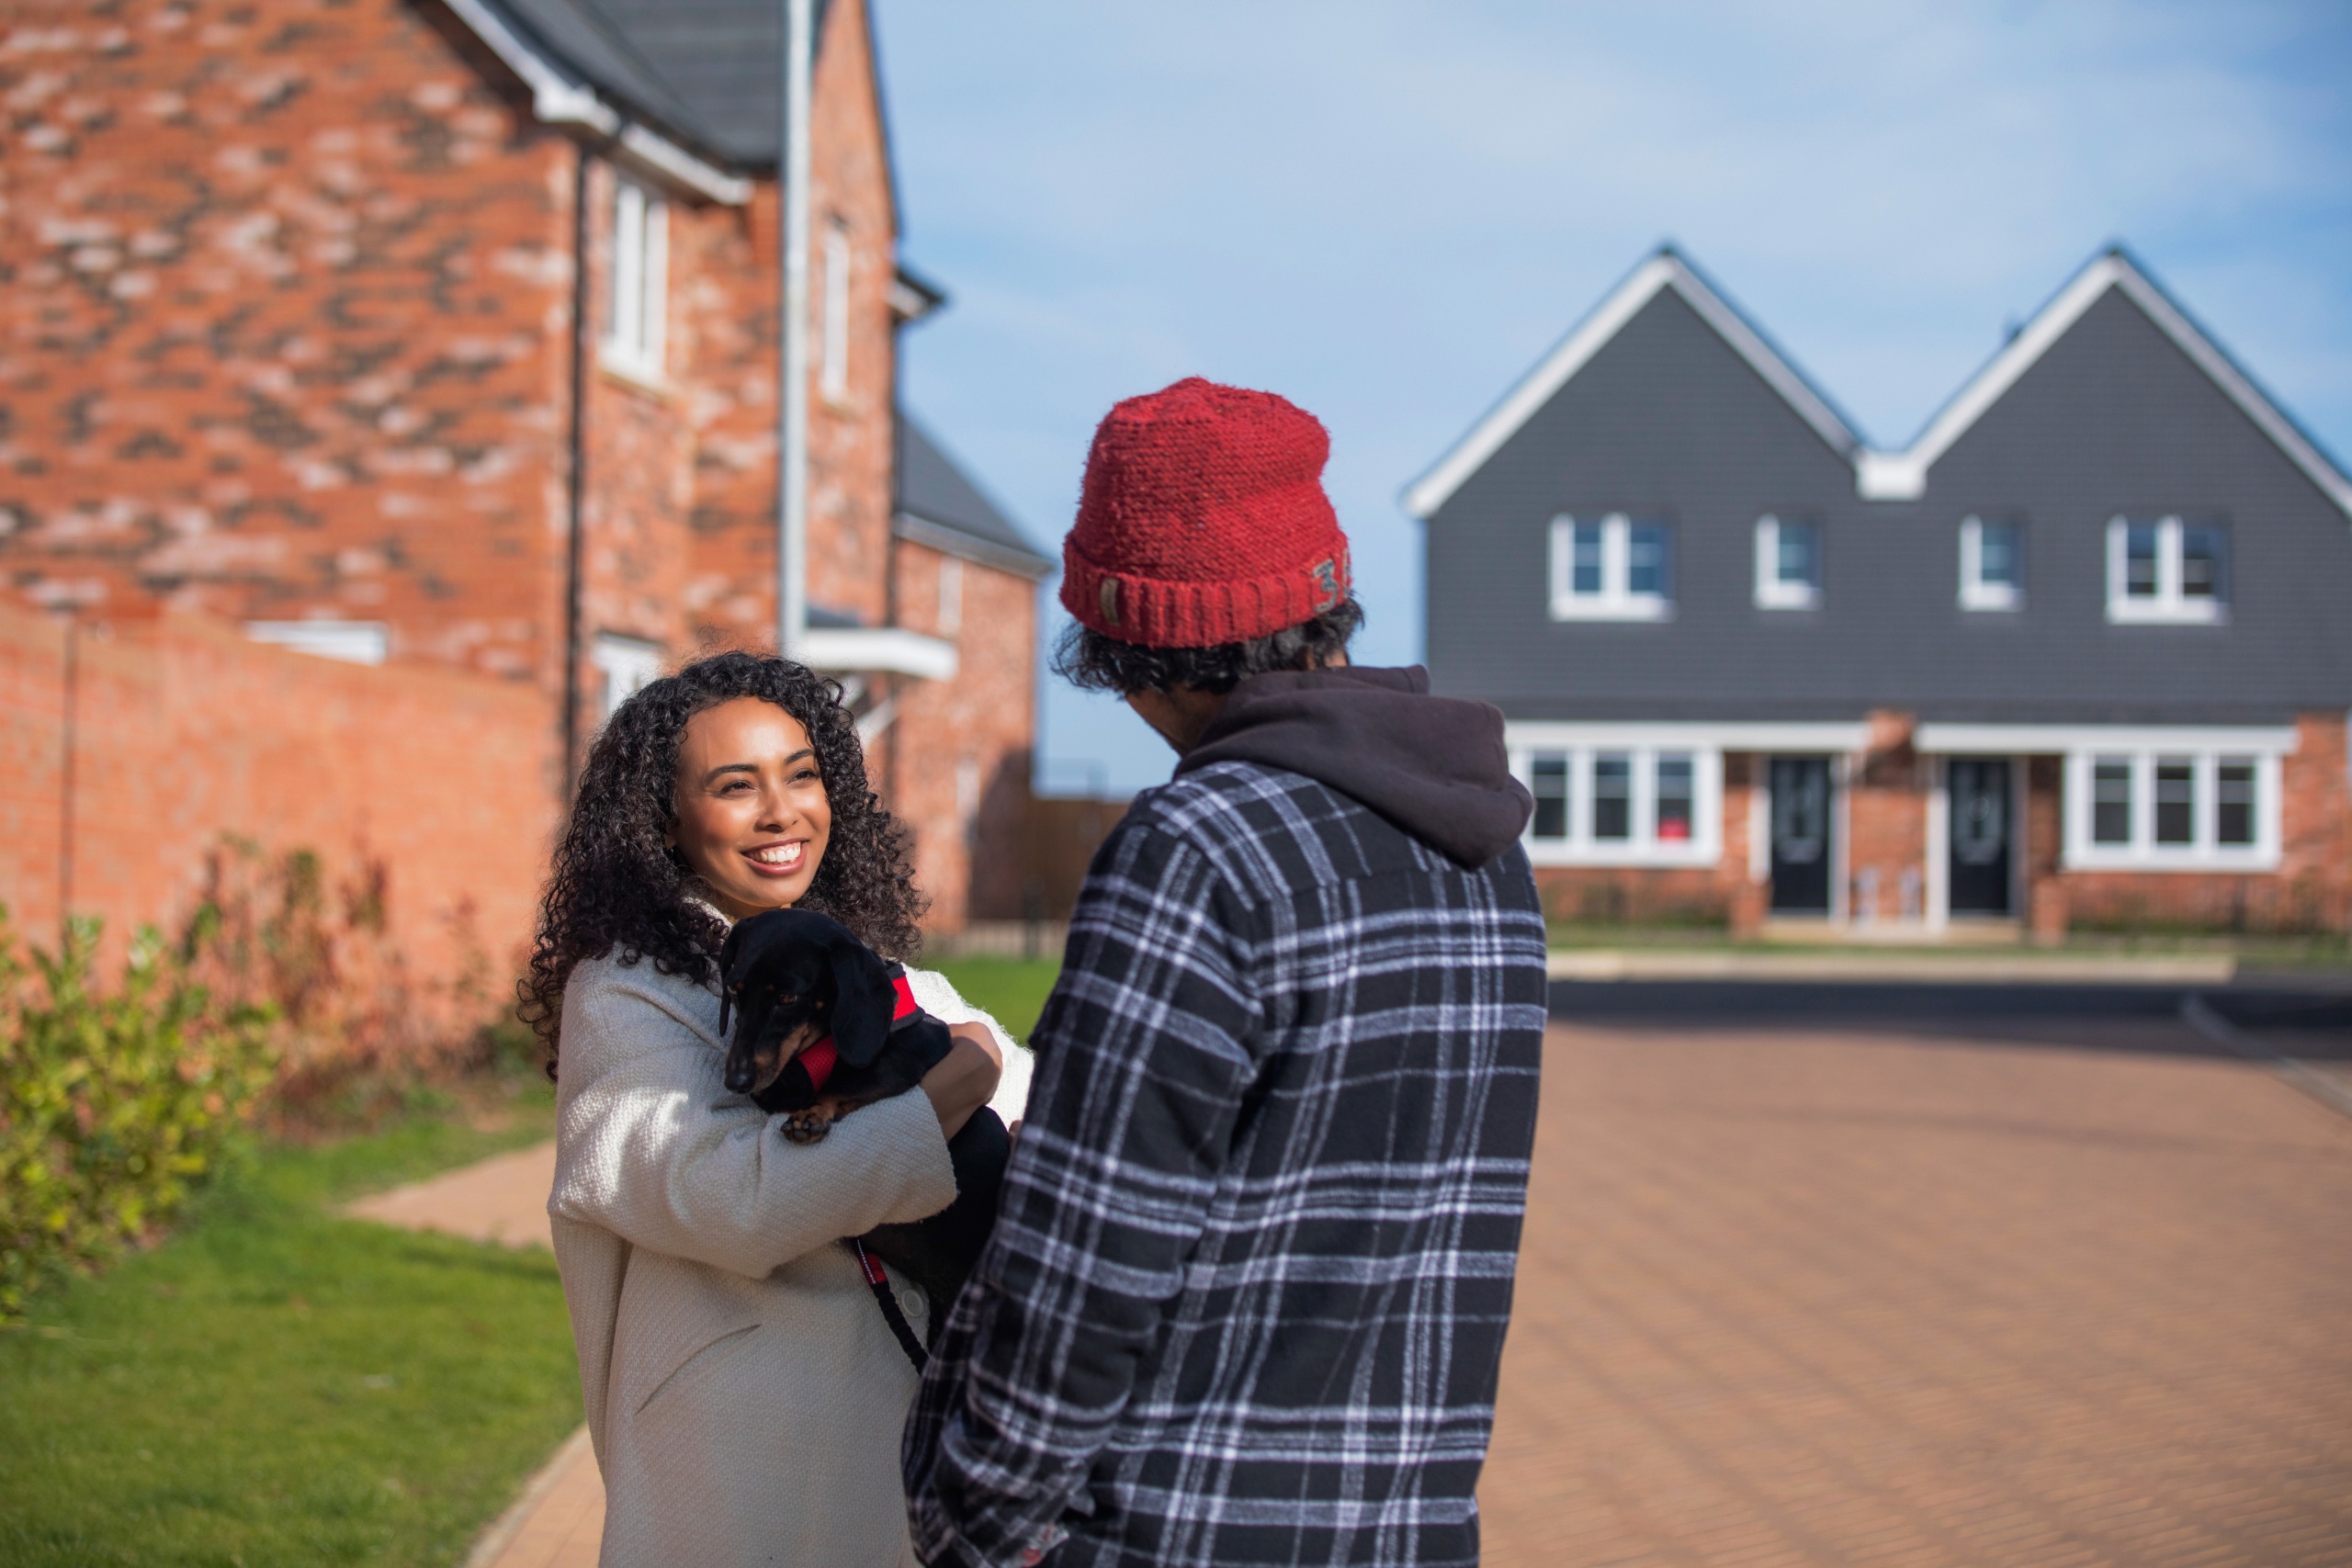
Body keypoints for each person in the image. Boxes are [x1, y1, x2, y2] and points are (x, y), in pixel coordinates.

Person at [903, 378, 1550, 1567]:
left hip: (1171, 1528)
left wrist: (973, 1521)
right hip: (1402, 1524)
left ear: (1126, 639)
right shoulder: (1487, 853)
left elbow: (1087, 1257)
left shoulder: (1195, 846)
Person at [522, 650, 1016, 1567]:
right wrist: (949, 1092)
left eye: (801, 776)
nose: (782, 812)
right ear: (667, 821)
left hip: (901, 1455)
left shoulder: (857, 969)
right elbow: (728, 1201)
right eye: (735, 786)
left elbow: (1022, 1084)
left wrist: (985, 1072)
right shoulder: (629, 994)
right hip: (744, 1466)